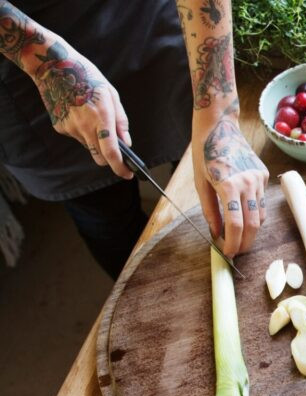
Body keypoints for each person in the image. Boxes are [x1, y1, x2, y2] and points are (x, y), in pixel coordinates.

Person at [0, 0, 267, 277]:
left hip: (141, 22)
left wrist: (220, 112)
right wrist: (42, 59)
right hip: (20, 73)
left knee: (203, 186)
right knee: (107, 221)